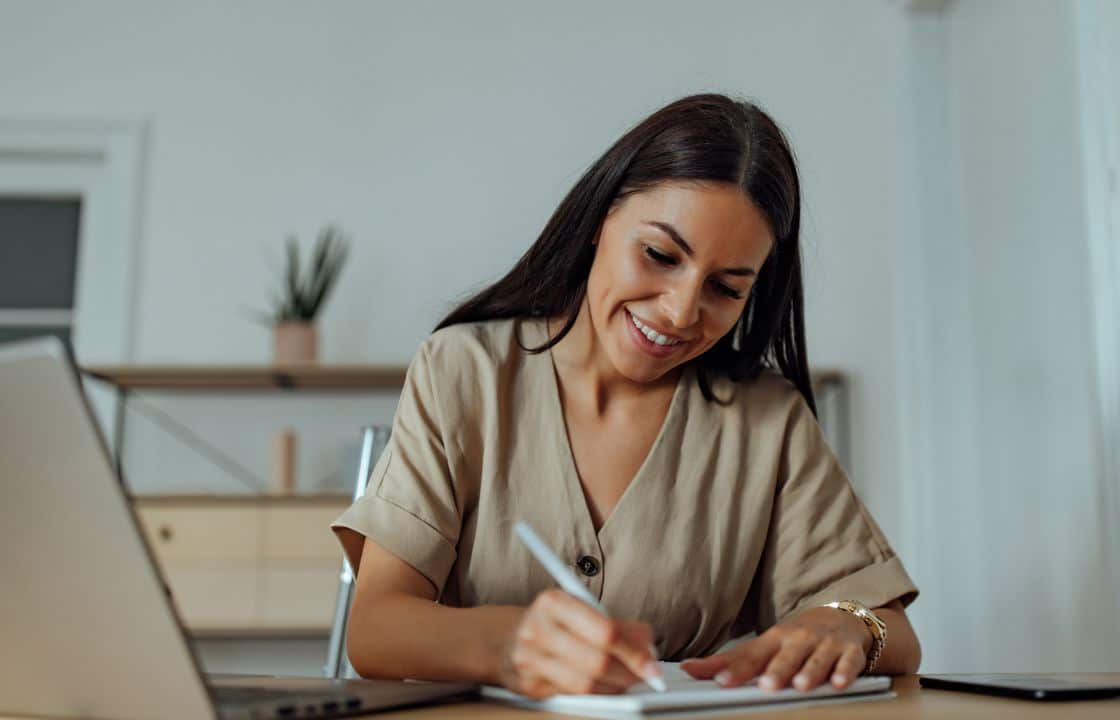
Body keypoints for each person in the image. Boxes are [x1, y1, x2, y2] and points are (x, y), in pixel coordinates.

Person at [331, 93, 921, 698]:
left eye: (725, 288)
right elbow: (376, 629)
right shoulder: (465, 370)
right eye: (660, 255)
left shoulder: (766, 419)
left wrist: (849, 627)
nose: (680, 312)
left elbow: (897, 635)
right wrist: (511, 645)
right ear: (599, 223)